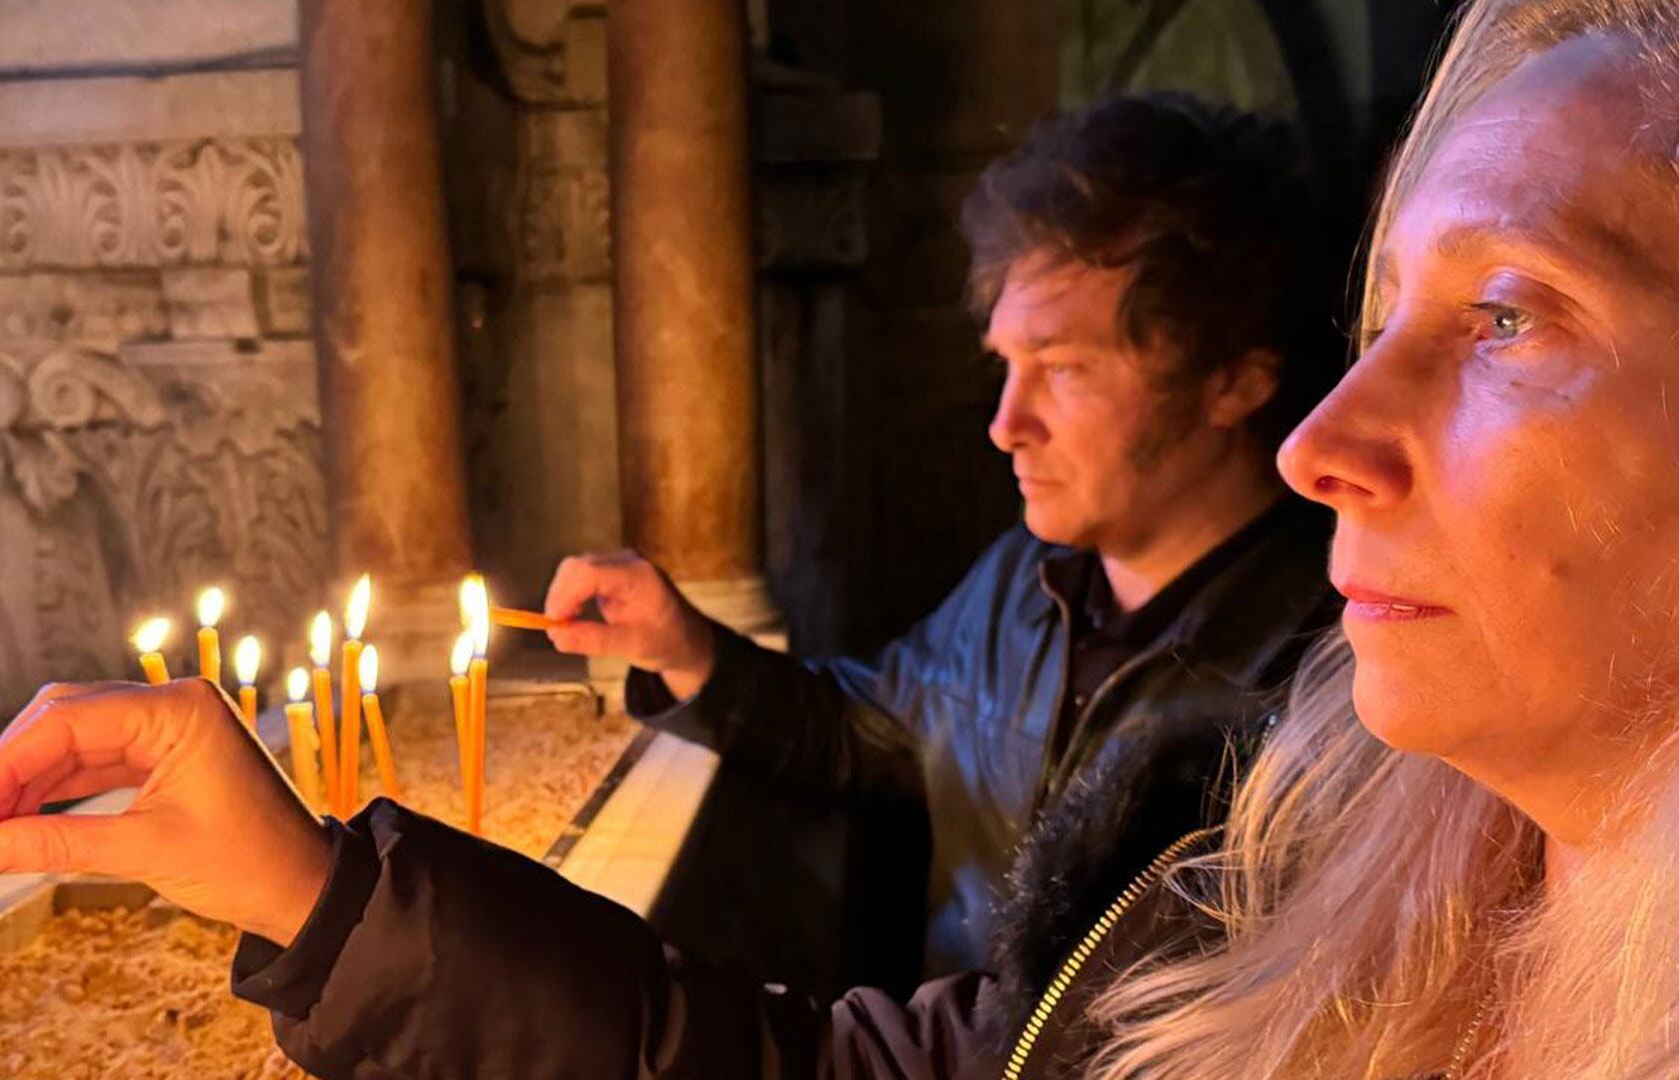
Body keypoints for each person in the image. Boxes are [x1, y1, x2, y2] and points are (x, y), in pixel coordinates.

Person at [0, 1, 1679, 1075]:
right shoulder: (1272, 888)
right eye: (1385, 323)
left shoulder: (1290, 704)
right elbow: (893, 737)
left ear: (1229, 379)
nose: (1330, 442)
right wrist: (322, 893)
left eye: (1513, 320)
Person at [540, 92, 1346, 979]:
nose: (1007, 424)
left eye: (1066, 369)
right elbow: (877, 731)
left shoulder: (1325, 679)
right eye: (1006, 365)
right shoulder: (1026, 580)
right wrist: (686, 647)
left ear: (1235, 382)